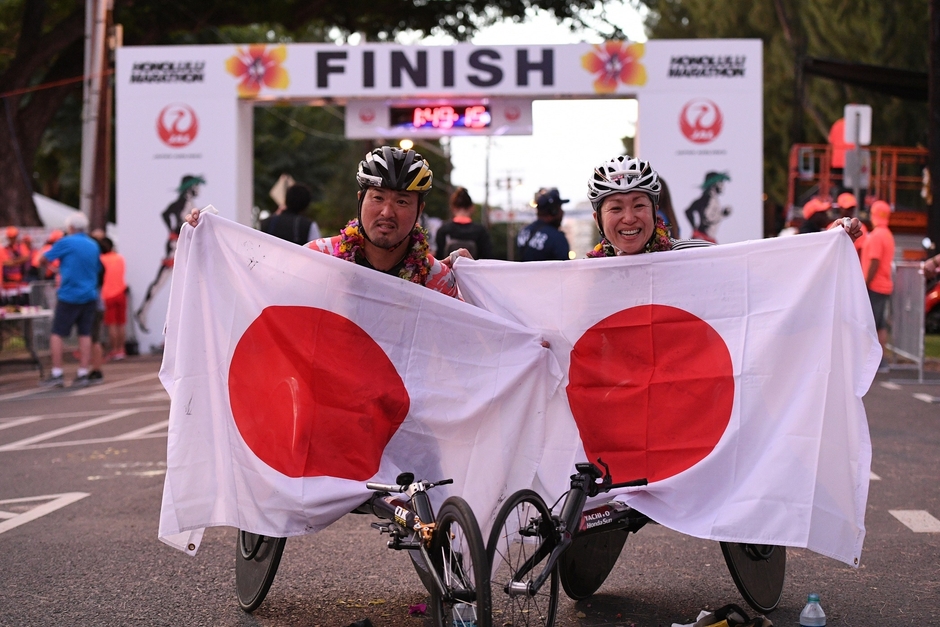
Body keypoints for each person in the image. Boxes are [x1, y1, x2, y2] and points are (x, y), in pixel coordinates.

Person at [186, 146, 459, 298]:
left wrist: (473, 279)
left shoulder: (437, 279)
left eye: (401, 202)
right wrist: (206, 244)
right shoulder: (319, 259)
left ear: (419, 209)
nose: (387, 212)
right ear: (360, 199)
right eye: (378, 198)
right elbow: (253, 293)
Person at [584, 153, 862, 259]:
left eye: (639, 205)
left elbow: (765, 271)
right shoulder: (580, 279)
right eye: (616, 208)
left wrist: (827, 245)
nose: (629, 218)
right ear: (598, 219)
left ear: (655, 210)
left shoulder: (696, 257)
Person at [39, 213, 103, 388]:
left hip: (69, 294)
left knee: (57, 333)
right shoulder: (93, 245)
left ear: (71, 227)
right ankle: (83, 372)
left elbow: (42, 259)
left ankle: (57, 372)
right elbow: (97, 268)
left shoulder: (66, 242)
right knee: (85, 334)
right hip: (89, 294)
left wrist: (55, 269)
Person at [136, 174, 204, 333]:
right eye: (196, 186)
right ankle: (143, 311)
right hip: (176, 245)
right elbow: (166, 214)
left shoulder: (187, 202)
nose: (198, 189)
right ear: (190, 187)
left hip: (183, 243)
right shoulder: (182, 203)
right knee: (163, 278)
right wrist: (174, 229)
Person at [861, 200, 895, 372]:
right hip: (884, 284)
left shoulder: (876, 236)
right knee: (880, 324)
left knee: (871, 324)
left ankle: (875, 361)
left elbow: (874, 260)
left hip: (875, 285)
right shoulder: (887, 234)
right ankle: (881, 359)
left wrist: (865, 283)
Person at [435, 186, 492, 259]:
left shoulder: (443, 230)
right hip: (473, 270)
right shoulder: (481, 231)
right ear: (472, 208)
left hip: (449, 270)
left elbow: (439, 258)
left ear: (453, 208)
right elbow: (487, 258)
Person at [516, 188, 570, 261]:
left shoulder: (524, 231)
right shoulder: (557, 238)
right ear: (554, 211)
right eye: (560, 208)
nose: (562, 212)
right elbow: (565, 269)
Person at [99, 237, 127, 361]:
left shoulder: (101, 260)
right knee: (121, 324)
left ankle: (114, 350)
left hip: (108, 294)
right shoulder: (119, 258)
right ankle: (121, 349)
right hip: (121, 292)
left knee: (112, 325)